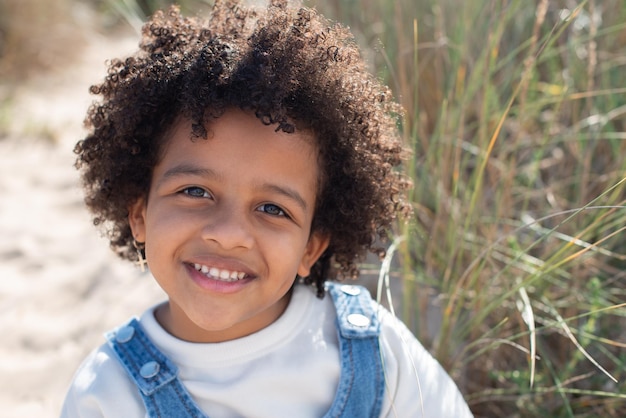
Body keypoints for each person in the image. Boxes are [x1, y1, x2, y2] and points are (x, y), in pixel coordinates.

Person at [60, 1, 473, 417]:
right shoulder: (108, 395)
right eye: (195, 191)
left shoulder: (379, 352)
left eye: (273, 209)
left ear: (310, 248)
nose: (229, 233)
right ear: (139, 215)